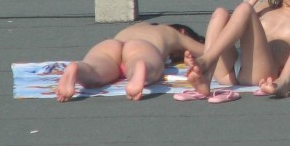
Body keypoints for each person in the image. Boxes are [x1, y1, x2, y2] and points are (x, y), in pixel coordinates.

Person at [56, 22, 205, 102]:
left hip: (111, 44)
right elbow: (206, 51)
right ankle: (142, 67)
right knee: (144, 63)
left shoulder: (138, 25)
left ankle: (78, 68)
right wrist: (189, 55)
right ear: (183, 31)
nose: (172, 58)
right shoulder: (173, 33)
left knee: (94, 71)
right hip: (141, 46)